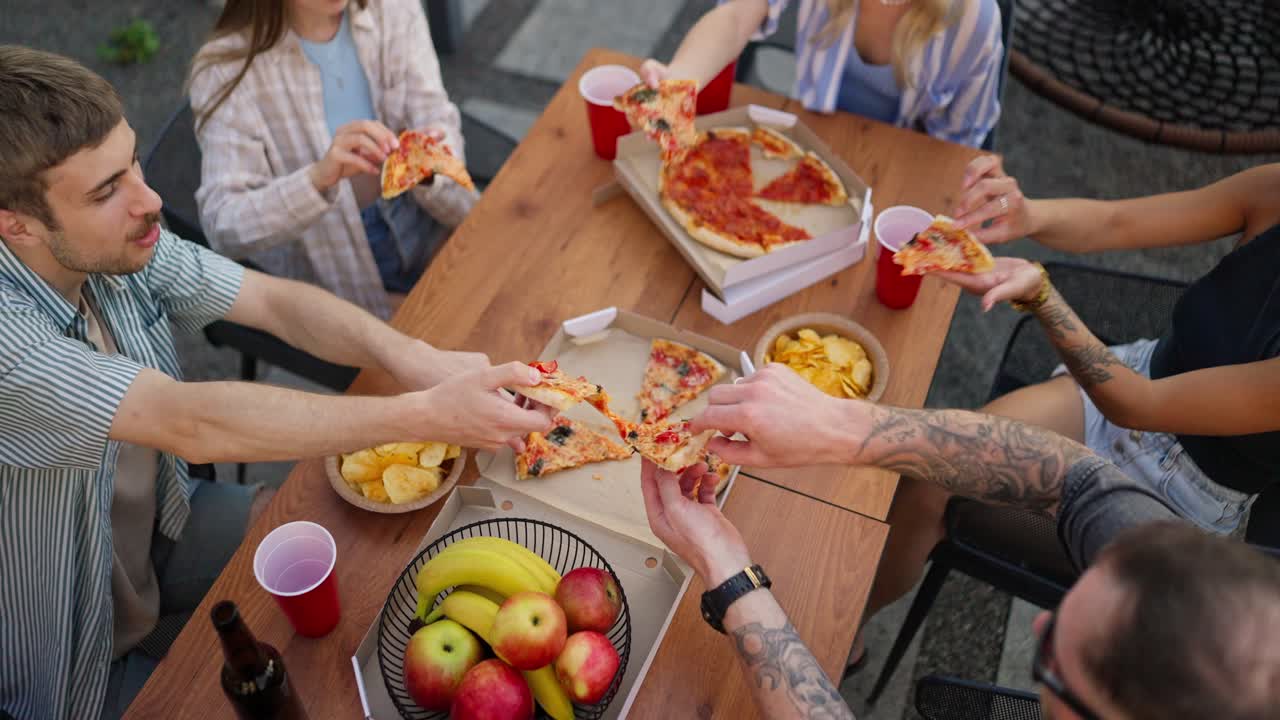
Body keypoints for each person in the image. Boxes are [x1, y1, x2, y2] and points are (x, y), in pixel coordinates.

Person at [0, 46, 552, 720]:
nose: (151, 200)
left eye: (134, 161)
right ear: (15, 224)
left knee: (370, 573)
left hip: (167, 527)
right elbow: (188, 421)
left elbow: (270, 303)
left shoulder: (121, 236)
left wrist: (414, 357)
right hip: (65, 649)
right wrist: (424, 413)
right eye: (106, 190)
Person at [640, 365, 1280, 719]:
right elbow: (1071, 475)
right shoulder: (1213, 611)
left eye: (1053, 654)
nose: (1038, 626)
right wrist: (841, 427)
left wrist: (730, 575)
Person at [847, 158, 1280, 664]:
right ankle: (848, 635)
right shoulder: (1272, 188)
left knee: (938, 482)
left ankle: (832, 641)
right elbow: (1120, 222)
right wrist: (1028, 214)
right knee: (930, 471)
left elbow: (1139, 406)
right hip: (1136, 377)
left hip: (1178, 497)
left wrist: (1042, 297)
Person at [189, 0, 477, 319]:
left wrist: (424, 165)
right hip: (344, 277)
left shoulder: (393, 9)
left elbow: (438, 118)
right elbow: (224, 224)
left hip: (431, 218)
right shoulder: (226, 71)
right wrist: (316, 180)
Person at [641, 0, 1004, 147]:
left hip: (900, 158)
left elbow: (956, 149)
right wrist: (678, 79)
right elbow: (736, 16)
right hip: (808, 134)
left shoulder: (976, 23)